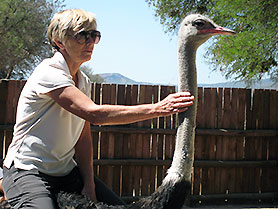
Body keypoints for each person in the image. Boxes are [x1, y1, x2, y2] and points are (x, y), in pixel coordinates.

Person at [2, 9, 195, 209]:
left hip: (66, 173)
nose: (90, 42)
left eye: (94, 35)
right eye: (82, 35)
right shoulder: (49, 73)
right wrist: (158, 108)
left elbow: (83, 137)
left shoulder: (83, 81)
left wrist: (89, 184)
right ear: (59, 42)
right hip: (27, 171)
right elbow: (94, 114)